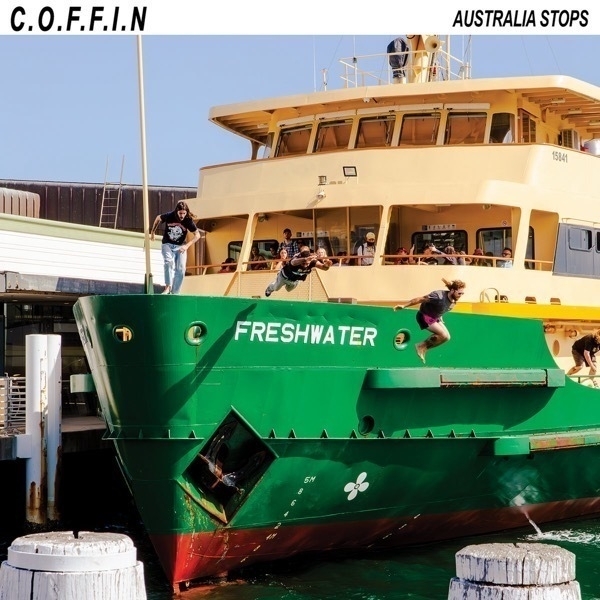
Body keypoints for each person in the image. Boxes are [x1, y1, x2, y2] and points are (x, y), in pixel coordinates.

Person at [393, 278, 466, 364]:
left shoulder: (453, 301)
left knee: (447, 337)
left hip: (435, 318)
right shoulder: (438, 296)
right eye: (459, 293)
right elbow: (421, 299)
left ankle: (424, 348)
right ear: (453, 290)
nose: (460, 295)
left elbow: (441, 309)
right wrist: (404, 305)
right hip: (424, 316)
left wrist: (440, 316)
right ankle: (420, 346)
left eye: (462, 294)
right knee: (443, 334)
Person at [150, 200, 200, 295]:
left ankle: (175, 292)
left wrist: (186, 246)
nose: (182, 216)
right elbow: (158, 218)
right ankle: (168, 287)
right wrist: (153, 231)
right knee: (168, 262)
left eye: (184, 213)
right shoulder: (170, 215)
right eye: (180, 213)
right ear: (177, 211)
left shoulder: (188, 221)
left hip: (180, 246)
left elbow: (197, 235)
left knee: (181, 269)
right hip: (167, 244)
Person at [265, 246, 332, 297]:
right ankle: (269, 289)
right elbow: (293, 262)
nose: (306, 265)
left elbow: (324, 268)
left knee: (288, 290)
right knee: (276, 288)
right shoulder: (296, 258)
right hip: (284, 277)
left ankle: (288, 284)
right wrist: (305, 259)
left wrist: (327, 265)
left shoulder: (313, 261)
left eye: (307, 264)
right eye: (304, 263)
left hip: (295, 280)